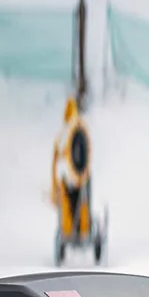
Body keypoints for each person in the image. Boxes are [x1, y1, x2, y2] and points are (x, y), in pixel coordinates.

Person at [51, 96, 91, 240]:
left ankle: (73, 232)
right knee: (79, 203)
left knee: (73, 206)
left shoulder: (64, 133)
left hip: (70, 176)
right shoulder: (76, 130)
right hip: (76, 175)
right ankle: (79, 232)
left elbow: (56, 159)